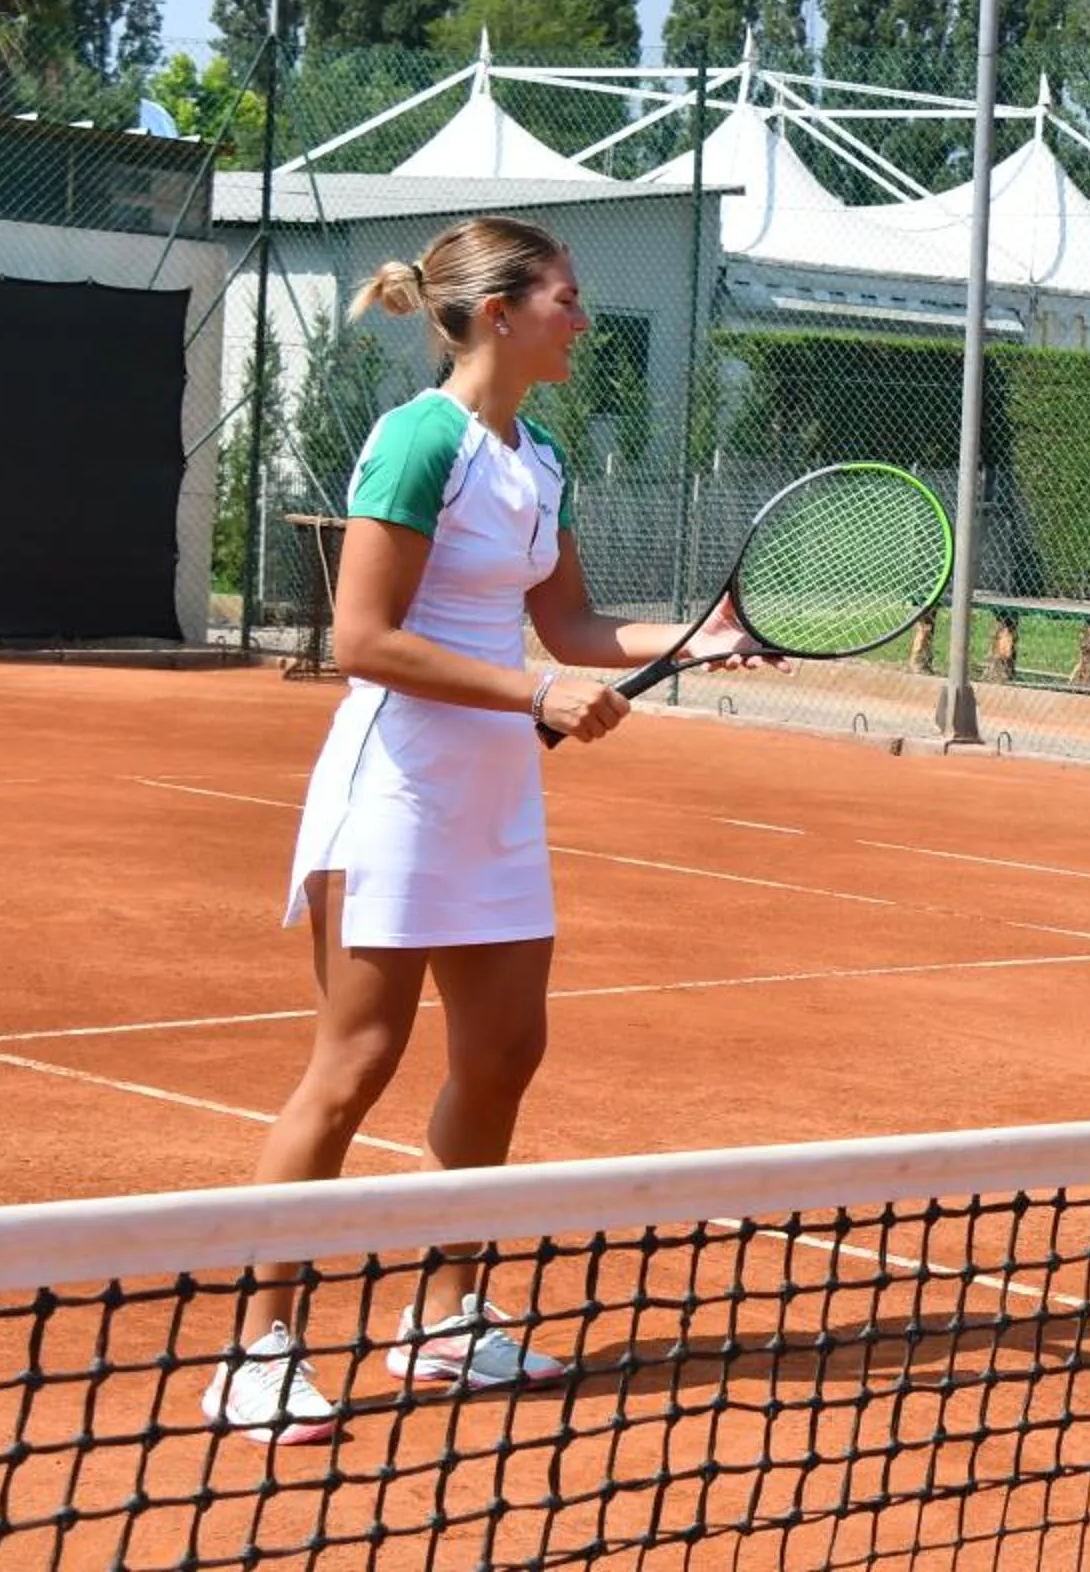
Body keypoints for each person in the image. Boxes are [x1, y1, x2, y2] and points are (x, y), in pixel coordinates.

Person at [203, 216, 766, 1444]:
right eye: (566, 297)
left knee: (506, 1051)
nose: (582, 316)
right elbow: (363, 638)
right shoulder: (420, 440)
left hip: (494, 799)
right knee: (352, 1065)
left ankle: (442, 1318)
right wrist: (532, 694)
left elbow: (570, 629)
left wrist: (701, 637)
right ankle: (257, 1343)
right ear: (501, 311)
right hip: (394, 788)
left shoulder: (540, 455)